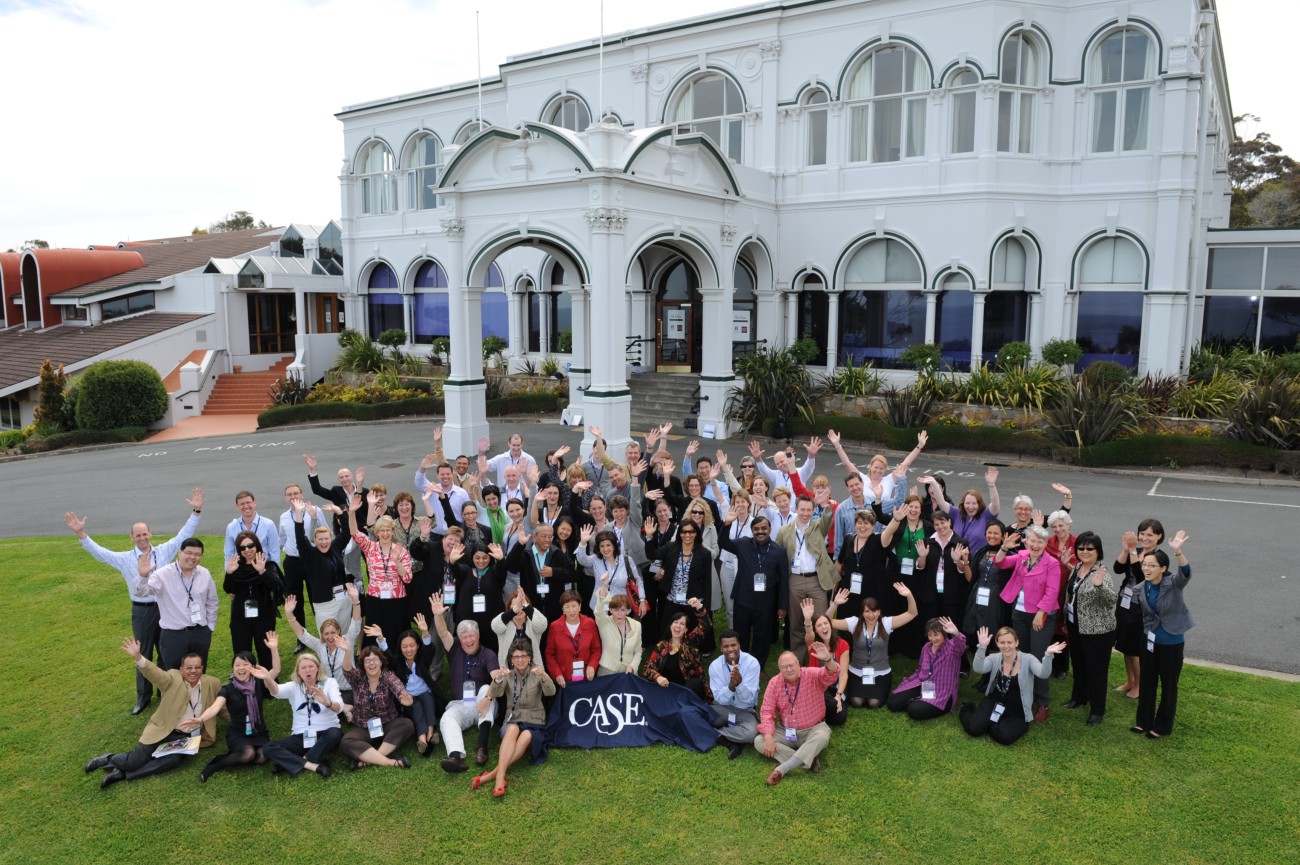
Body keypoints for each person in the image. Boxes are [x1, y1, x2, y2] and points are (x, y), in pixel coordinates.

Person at [64, 487, 204, 712]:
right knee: (143, 652)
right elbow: (100, 553)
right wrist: (81, 534)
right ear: (132, 537)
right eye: (137, 535)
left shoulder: (164, 551)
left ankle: (168, 690)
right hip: (142, 611)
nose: (142, 538)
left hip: (166, 608)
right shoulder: (125, 559)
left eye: (145, 534)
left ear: (151, 534)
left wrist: (196, 511)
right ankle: (143, 696)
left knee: (166, 650)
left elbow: (183, 535)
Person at [85, 637, 221, 789]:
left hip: (187, 738)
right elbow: (155, 674)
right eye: (189, 667)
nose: (193, 671)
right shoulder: (172, 678)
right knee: (134, 761)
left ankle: (122, 775)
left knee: (173, 761)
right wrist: (138, 657)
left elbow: (222, 707)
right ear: (181, 669)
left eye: (197, 667)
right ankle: (108, 759)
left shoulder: (212, 683)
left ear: (202, 668)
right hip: (163, 729)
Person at [190, 633, 281, 781]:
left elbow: (275, 670)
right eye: (237, 665)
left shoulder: (259, 682)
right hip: (238, 733)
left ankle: (231, 755)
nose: (241, 668)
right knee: (248, 754)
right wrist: (200, 719)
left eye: (246, 664)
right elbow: (215, 708)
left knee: (262, 757)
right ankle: (215, 765)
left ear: (253, 667)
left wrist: (274, 649)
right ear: (233, 668)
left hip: (259, 731)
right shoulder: (228, 689)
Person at [995, 525, 1062, 722]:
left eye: (1040, 542)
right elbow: (1000, 563)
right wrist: (1004, 547)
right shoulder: (1022, 556)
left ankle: (1043, 702)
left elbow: (1052, 591)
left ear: (1045, 543)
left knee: (1038, 657)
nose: (1035, 545)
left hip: (1040, 615)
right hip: (1020, 613)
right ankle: (1024, 692)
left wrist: (1040, 613)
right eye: (1032, 540)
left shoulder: (1052, 563)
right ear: (1027, 541)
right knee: (1021, 656)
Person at [476, 639, 556, 797]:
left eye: (524, 656)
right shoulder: (507, 675)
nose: (520, 659)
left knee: (526, 735)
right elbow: (496, 693)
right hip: (514, 718)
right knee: (512, 729)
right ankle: (499, 776)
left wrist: (544, 676)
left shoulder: (536, 673)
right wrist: (498, 678)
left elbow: (551, 692)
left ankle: (495, 774)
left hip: (534, 720)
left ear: (529, 658)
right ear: (511, 659)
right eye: (516, 656)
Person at [961, 626, 1067, 745]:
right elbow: (979, 669)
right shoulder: (995, 658)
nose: (1006, 646)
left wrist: (1048, 655)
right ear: (997, 643)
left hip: (1018, 708)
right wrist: (982, 647)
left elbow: (1043, 674)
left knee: (1005, 737)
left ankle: (988, 722)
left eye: (1010, 642)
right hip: (994, 701)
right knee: (973, 729)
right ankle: (968, 708)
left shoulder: (1028, 659)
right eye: (1002, 642)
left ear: (1016, 642)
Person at [430, 592, 499, 772]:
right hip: (462, 704)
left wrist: (488, 698)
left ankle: (482, 747)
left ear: (478, 636)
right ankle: (456, 757)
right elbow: (443, 632)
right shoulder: (454, 648)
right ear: (459, 639)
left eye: (471, 636)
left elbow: (498, 679)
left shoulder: (488, 654)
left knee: (486, 688)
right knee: (447, 718)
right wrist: (438, 614)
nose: (468, 640)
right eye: (464, 637)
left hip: (484, 703)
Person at [1134, 532, 1194, 739]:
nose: (1146, 569)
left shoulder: (1173, 584)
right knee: (1147, 681)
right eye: (1144, 565)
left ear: (1163, 568)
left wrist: (1177, 551)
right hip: (1149, 641)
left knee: (1169, 685)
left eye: (1152, 565)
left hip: (1171, 642)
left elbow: (1186, 573)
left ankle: (1162, 726)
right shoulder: (1141, 587)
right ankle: (1144, 721)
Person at [754, 643, 840, 786]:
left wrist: (828, 660)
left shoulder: (812, 674)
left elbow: (832, 675)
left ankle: (783, 768)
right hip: (786, 730)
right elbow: (767, 711)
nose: (789, 669)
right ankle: (808, 760)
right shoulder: (774, 683)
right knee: (759, 741)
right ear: (779, 669)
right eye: (784, 667)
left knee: (822, 737)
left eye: (792, 665)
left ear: (798, 664)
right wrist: (768, 737)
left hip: (813, 728)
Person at [828, 582, 918, 708]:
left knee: (874, 703)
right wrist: (835, 604)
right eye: (867, 611)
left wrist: (909, 595)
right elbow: (826, 622)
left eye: (874, 611)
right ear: (862, 613)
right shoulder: (854, 623)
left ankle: (876, 690)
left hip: (881, 672)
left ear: (879, 612)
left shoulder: (886, 623)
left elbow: (912, 614)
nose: (871, 615)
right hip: (857, 671)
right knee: (856, 702)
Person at [133, 538, 219, 670]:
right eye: (189, 552)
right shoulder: (163, 574)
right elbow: (141, 592)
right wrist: (142, 576)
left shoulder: (204, 573)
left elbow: (212, 601)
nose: (192, 557)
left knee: (198, 674)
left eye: (197, 554)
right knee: (174, 677)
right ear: (179, 552)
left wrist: (210, 627)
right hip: (174, 636)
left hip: (200, 633)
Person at [1060, 532, 1117, 725]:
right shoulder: (1077, 567)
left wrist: (1100, 586)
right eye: (1081, 548)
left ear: (1098, 551)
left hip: (1097, 632)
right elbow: (1073, 592)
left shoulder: (1102, 572)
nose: (1084, 551)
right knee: (1078, 664)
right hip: (1076, 627)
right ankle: (1079, 697)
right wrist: (1065, 622)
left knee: (1096, 670)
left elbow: (1111, 600)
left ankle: (1097, 710)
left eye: (1089, 548)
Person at [261, 652, 344, 779]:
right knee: (268, 748)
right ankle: (313, 765)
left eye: (311, 666)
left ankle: (293, 762)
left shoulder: (329, 683)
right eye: (303, 668)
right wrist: (267, 678)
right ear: (298, 672)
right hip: (302, 736)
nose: (307, 670)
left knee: (335, 733)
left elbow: (339, 707)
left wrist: (327, 702)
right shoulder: (294, 686)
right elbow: (275, 691)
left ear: (317, 668)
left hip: (325, 733)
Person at [776, 492, 836, 662]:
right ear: (796, 509)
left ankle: (821, 660)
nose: (805, 513)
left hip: (817, 580)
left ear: (812, 510)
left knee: (821, 621)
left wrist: (828, 509)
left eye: (809, 510)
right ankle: (799, 661)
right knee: (796, 623)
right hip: (794, 580)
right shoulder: (784, 531)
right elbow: (779, 556)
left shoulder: (818, 526)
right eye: (802, 509)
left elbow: (827, 519)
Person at [373, 616, 445, 757]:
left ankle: (430, 732)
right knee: (416, 707)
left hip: (426, 694)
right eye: (404, 646)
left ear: (418, 646)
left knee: (427, 699)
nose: (409, 650)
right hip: (409, 698)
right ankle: (422, 739)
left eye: (412, 646)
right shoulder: (397, 663)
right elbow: (387, 653)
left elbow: (430, 650)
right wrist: (381, 638)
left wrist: (425, 632)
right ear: (400, 648)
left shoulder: (423, 659)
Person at [347, 496, 412, 647]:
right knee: (375, 631)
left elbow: (408, 578)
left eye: (388, 530)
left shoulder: (400, 551)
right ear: (377, 532)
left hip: (397, 599)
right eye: (382, 530)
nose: (385, 534)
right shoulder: (370, 547)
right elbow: (354, 533)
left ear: (393, 531)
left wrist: (396, 561)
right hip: (375, 599)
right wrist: (351, 513)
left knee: (396, 632)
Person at [1113, 518, 1165, 701]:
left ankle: (1139, 686)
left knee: (1136, 648)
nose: (1144, 537)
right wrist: (1126, 550)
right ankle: (1130, 681)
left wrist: (1133, 551)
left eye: (1150, 534)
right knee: (1125, 645)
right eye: (1142, 533)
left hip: (1141, 607)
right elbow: (1118, 568)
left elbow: (1140, 575)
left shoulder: (1158, 558)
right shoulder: (1137, 550)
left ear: (1159, 536)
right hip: (1125, 603)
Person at [339, 642, 414, 770]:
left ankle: (369, 760)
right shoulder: (358, 677)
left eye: (375, 659)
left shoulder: (389, 676)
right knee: (346, 741)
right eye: (367, 661)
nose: (371, 663)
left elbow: (399, 689)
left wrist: (407, 700)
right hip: (364, 727)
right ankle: (391, 762)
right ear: (363, 664)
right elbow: (347, 670)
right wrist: (347, 652)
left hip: (387, 724)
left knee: (407, 724)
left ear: (381, 662)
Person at [284, 591, 361, 712]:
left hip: (348, 690)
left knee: (330, 707)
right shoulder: (320, 646)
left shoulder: (347, 641)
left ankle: (345, 708)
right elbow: (302, 634)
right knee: (321, 706)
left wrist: (356, 600)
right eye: (326, 634)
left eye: (333, 633)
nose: (330, 637)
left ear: (338, 632)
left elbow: (356, 622)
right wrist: (289, 614)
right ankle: (345, 709)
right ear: (322, 635)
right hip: (329, 689)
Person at [291, 499, 354, 635]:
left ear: (331, 539)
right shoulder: (310, 555)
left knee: (344, 635)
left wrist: (339, 512)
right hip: (325, 605)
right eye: (320, 539)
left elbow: (347, 532)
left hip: (343, 599)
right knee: (328, 638)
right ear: (315, 540)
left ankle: (346, 657)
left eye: (326, 538)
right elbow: (300, 538)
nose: (324, 542)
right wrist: (298, 513)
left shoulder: (335, 547)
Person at [223, 530, 283, 669]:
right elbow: (228, 589)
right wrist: (229, 573)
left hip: (264, 617)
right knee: (242, 652)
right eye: (242, 548)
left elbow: (276, 586)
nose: (247, 550)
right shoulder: (236, 566)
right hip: (240, 618)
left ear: (256, 546)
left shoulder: (268, 565)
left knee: (265, 652)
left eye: (250, 545)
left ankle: (268, 684)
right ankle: (244, 682)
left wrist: (262, 572)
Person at [962, 521, 1012, 687]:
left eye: (996, 533)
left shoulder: (1010, 554)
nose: (992, 536)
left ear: (1003, 536)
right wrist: (964, 563)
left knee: (994, 636)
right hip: (977, 600)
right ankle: (984, 676)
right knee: (979, 635)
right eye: (989, 533)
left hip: (996, 601)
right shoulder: (980, 553)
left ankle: (994, 676)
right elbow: (971, 578)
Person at [887, 617, 967, 719]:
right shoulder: (926, 647)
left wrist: (956, 633)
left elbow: (961, 645)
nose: (933, 638)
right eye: (930, 635)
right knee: (893, 703)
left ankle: (919, 701)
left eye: (936, 634)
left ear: (944, 633)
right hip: (923, 684)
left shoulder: (952, 648)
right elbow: (920, 668)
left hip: (942, 692)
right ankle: (919, 698)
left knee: (915, 710)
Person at [304, 455, 368, 581]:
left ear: (352, 477)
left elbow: (364, 507)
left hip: (362, 533)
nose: (344, 479)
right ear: (338, 480)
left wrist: (360, 486)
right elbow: (317, 490)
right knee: (345, 564)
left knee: (370, 563)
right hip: (345, 534)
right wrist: (313, 470)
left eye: (346, 476)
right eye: (341, 477)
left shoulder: (364, 491)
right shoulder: (336, 491)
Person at [652, 518, 713, 642]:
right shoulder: (671, 547)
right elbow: (652, 555)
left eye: (691, 532)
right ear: (679, 533)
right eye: (684, 532)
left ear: (696, 533)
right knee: (666, 630)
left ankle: (692, 654)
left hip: (693, 600)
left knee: (694, 634)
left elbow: (707, 582)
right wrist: (649, 537)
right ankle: (665, 653)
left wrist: (704, 607)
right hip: (673, 598)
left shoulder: (705, 554)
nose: (687, 535)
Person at [922, 466, 1001, 555]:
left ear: (979, 504)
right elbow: (941, 502)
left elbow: (995, 504)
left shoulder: (986, 515)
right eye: (967, 503)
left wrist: (991, 485)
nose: (970, 507)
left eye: (974, 503)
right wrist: (934, 483)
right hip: (956, 560)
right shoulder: (957, 513)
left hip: (975, 562)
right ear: (963, 504)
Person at [707, 631, 762, 759]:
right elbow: (719, 698)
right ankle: (732, 737)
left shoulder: (752, 663)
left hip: (744, 710)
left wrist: (740, 683)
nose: (730, 649)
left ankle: (715, 732)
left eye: (733, 645)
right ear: (721, 648)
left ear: (739, 645)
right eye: (726, 646)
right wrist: (731, 687)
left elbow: (748, 700)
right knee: (697, 715)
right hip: (721, 707)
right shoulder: (714, 666)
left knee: (751, 733)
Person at [642, 600, 711, 700]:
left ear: (686, 629)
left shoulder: (690, 642)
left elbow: (705, 626)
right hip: (666, 690)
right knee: (647, 682)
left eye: (682, 624)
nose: (678, 626)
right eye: (676, 622)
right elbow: (648, 669)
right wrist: (658, 677)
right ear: (670, 625)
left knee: (696, 683)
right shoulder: (662, 646)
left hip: (686, 691)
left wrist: (699, 606)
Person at [447, 542, 507, 653]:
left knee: (491, 651)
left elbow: (501, 572)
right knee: (468, 651)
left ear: (490, 557)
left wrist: (501, 560)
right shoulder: (466, 571)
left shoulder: (494, 571)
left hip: (490, 623)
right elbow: (455, 570)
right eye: (477, 558)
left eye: (485, 558)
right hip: (468, 621)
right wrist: (452, 561)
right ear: (472, 557)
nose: (481, 561)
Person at [801, 598, 849, 726]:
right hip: (817, 688)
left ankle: (817, 713)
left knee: (839, 718)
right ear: (816, 630)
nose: (824, 627)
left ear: (830, 625)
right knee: (831, 705)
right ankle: (817, 710)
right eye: (819, 625)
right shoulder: (813, 644)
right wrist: (807, 620)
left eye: (826, 623)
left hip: (835, 689)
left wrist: (838, 695)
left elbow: (843, 674)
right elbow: (808, 634)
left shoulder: (843, 644)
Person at [578, 527, 646, 617]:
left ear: (614, 546)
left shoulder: (626, 560)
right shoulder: (595, 560)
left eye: (608, 545)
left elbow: (637, 581)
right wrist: (583, 543)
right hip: (601, 607)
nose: (605, 549)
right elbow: (582, 560)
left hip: (622, 607)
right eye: (602, 546)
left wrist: (642, 600)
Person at [835, 508, 887, 617]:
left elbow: (890, 531)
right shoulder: (848, 539)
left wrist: (896, 519)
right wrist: (835, 586)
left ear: (873, 525)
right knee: (846, 627)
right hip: (847, 593)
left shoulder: (878, 541)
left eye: (866, 523)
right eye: (859, 523)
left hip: (870, 595)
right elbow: (839, 564)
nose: (862, 526)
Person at [545, 590, 602, 686]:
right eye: (567, 607)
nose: (571, 610)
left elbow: (596, 649)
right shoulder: (555, 627)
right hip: (564, 680)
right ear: (563, 609)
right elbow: (550, 655)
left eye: (574, 606)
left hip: (587, 678)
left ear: (580, 606)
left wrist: (592, 666)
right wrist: (557, 674)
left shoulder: (590, 623)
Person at [594, 580, 643, 676]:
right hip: (607, 672)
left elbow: (638, 651)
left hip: (628, 672)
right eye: (615, 610)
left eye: (622, 610)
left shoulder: (637, 625)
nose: (619, 613)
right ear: (610, 610)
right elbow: (598, 611)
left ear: (627, 611)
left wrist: (633, 666)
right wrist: (604, 586)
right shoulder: (604, 622)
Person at [223, 490, 280, 562]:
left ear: (254, 502)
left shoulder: (269, 524)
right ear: (237, 506)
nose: (246, 506)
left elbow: (274, 552)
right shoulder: (231, 527)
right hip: (241, 570)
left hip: (264, 569)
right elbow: (228, 554)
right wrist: (229, 571)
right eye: (242, 504)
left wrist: (274, 571)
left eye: (248, 502)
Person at [492, 588, 548, 660]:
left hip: (533, 669)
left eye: (522, 605)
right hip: (508, 669)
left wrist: (525, 604)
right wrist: (514, 610)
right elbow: (494, 626)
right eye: (516, 605)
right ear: (510, 608)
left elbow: (542, 625)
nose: (519, 609)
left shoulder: (533, 623)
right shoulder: (505, 623)